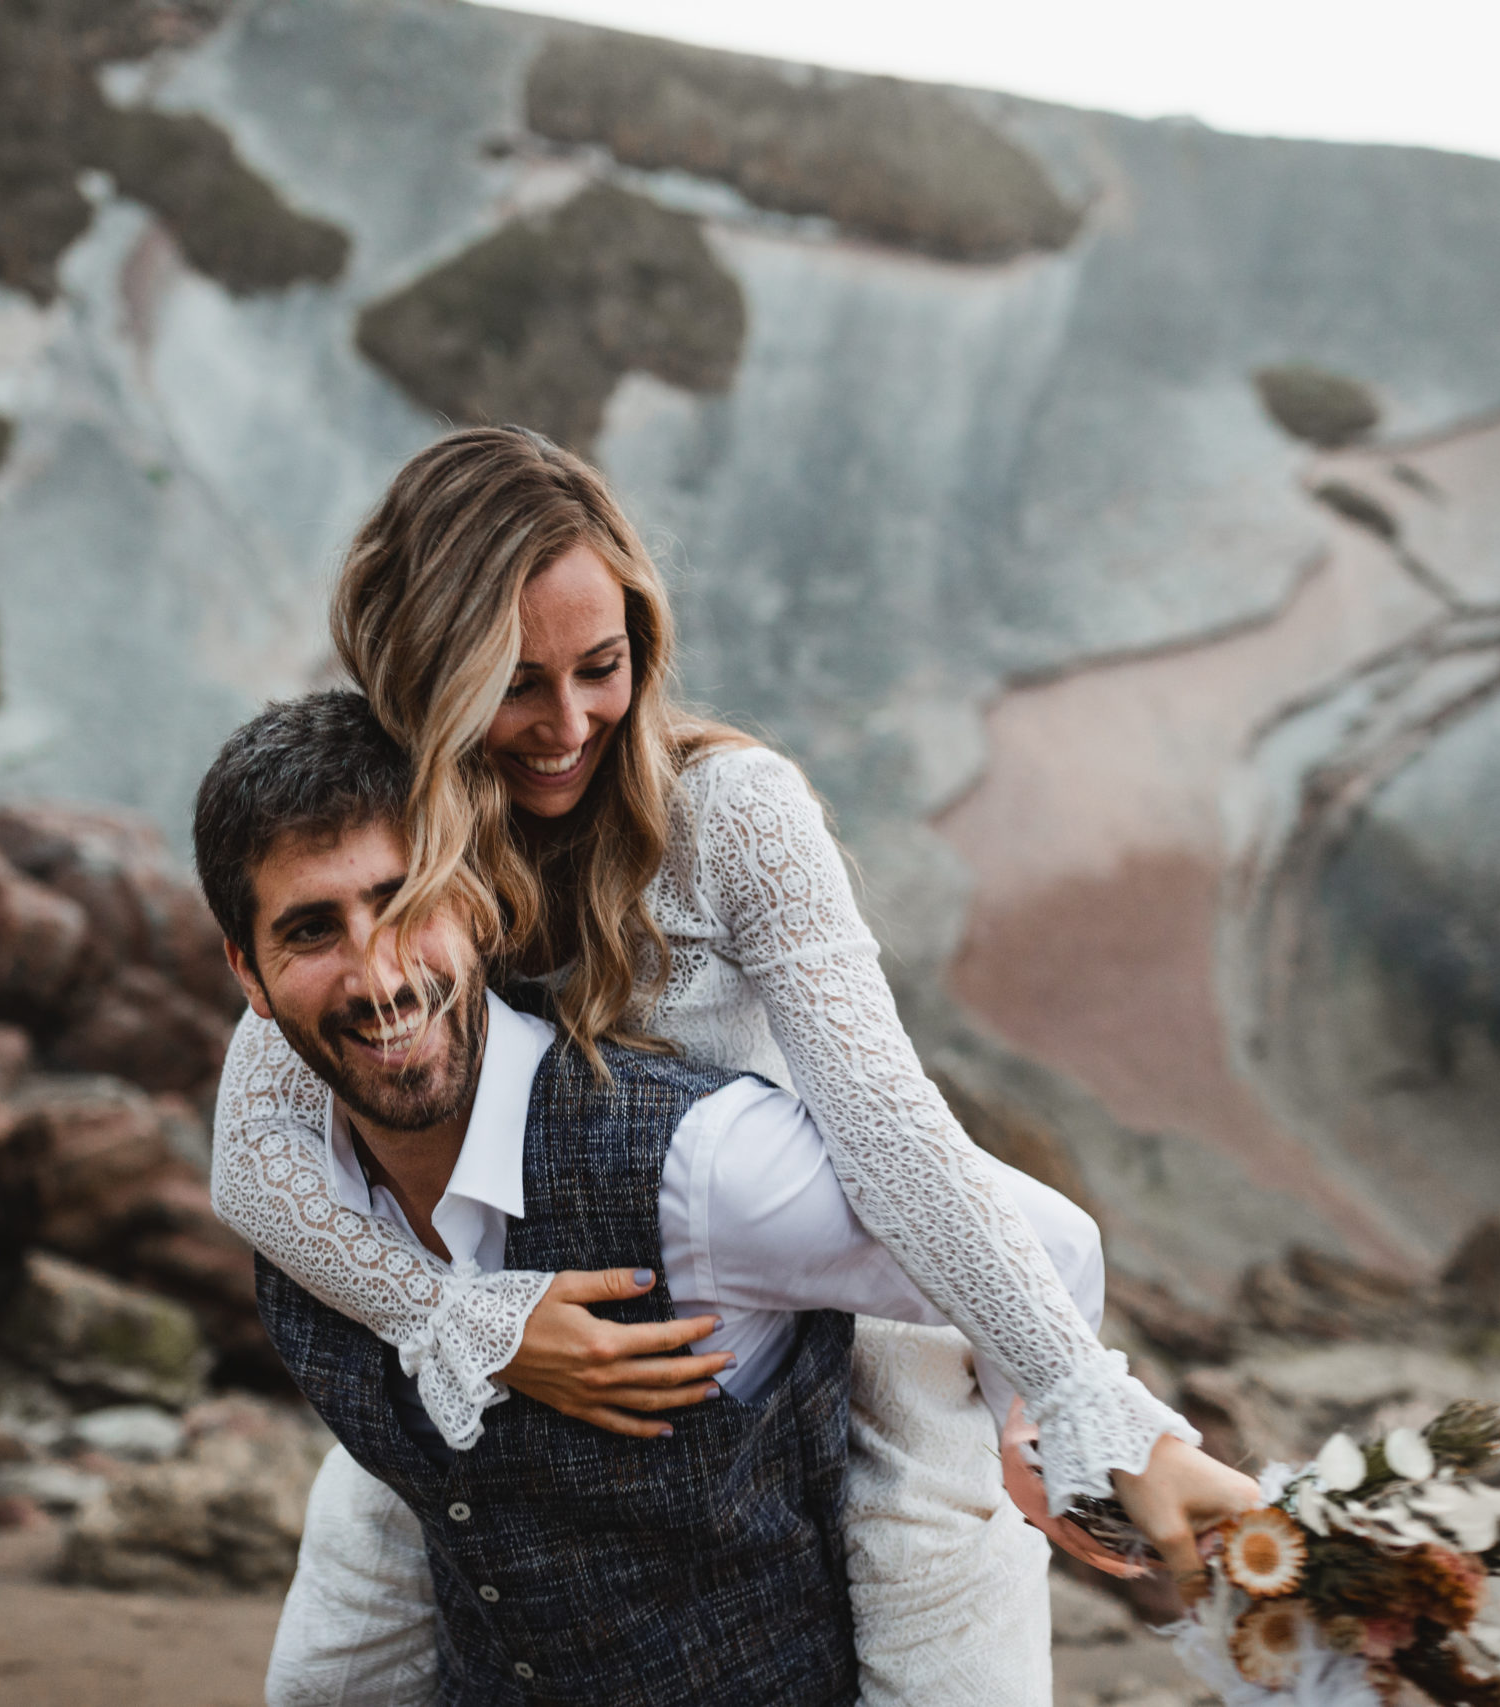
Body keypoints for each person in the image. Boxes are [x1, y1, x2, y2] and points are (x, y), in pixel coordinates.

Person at [211, 428, 1259, 1701]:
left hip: (840, 1272)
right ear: (422, 675)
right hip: (526, 1294)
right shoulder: (400, 832)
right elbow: (254, 1163)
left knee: (935, 1605)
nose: (567, 724)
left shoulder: (733, 814)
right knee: (333, 1653)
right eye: (513, 684)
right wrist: (464, 1323)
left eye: (601, 668)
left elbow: (882, 1119)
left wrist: (1057, 1381)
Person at [194, 691, 1118, 1705]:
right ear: (249, 971)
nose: (377, 977)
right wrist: (456, 1316)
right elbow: (238, 1173)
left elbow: (1043, 1235)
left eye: (403, 901)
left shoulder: (701, 1163)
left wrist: (1047, 1406)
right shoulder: (295, 1155)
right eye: (312, 931)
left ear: (466, 896)